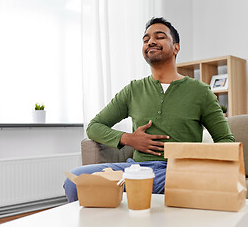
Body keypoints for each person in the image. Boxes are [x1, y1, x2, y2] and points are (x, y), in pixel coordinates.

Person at [64, 17, 235, 202]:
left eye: (159, 37)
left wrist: (199, 165)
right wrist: (129, 139)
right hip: (136, 170)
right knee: (75, 181)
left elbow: (225, 140)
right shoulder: (133, 90)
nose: (151, 42)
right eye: (145, 40)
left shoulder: (200, 91)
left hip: (177, 172)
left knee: (188, 184)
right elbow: (94, 126)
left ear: (176, 47)